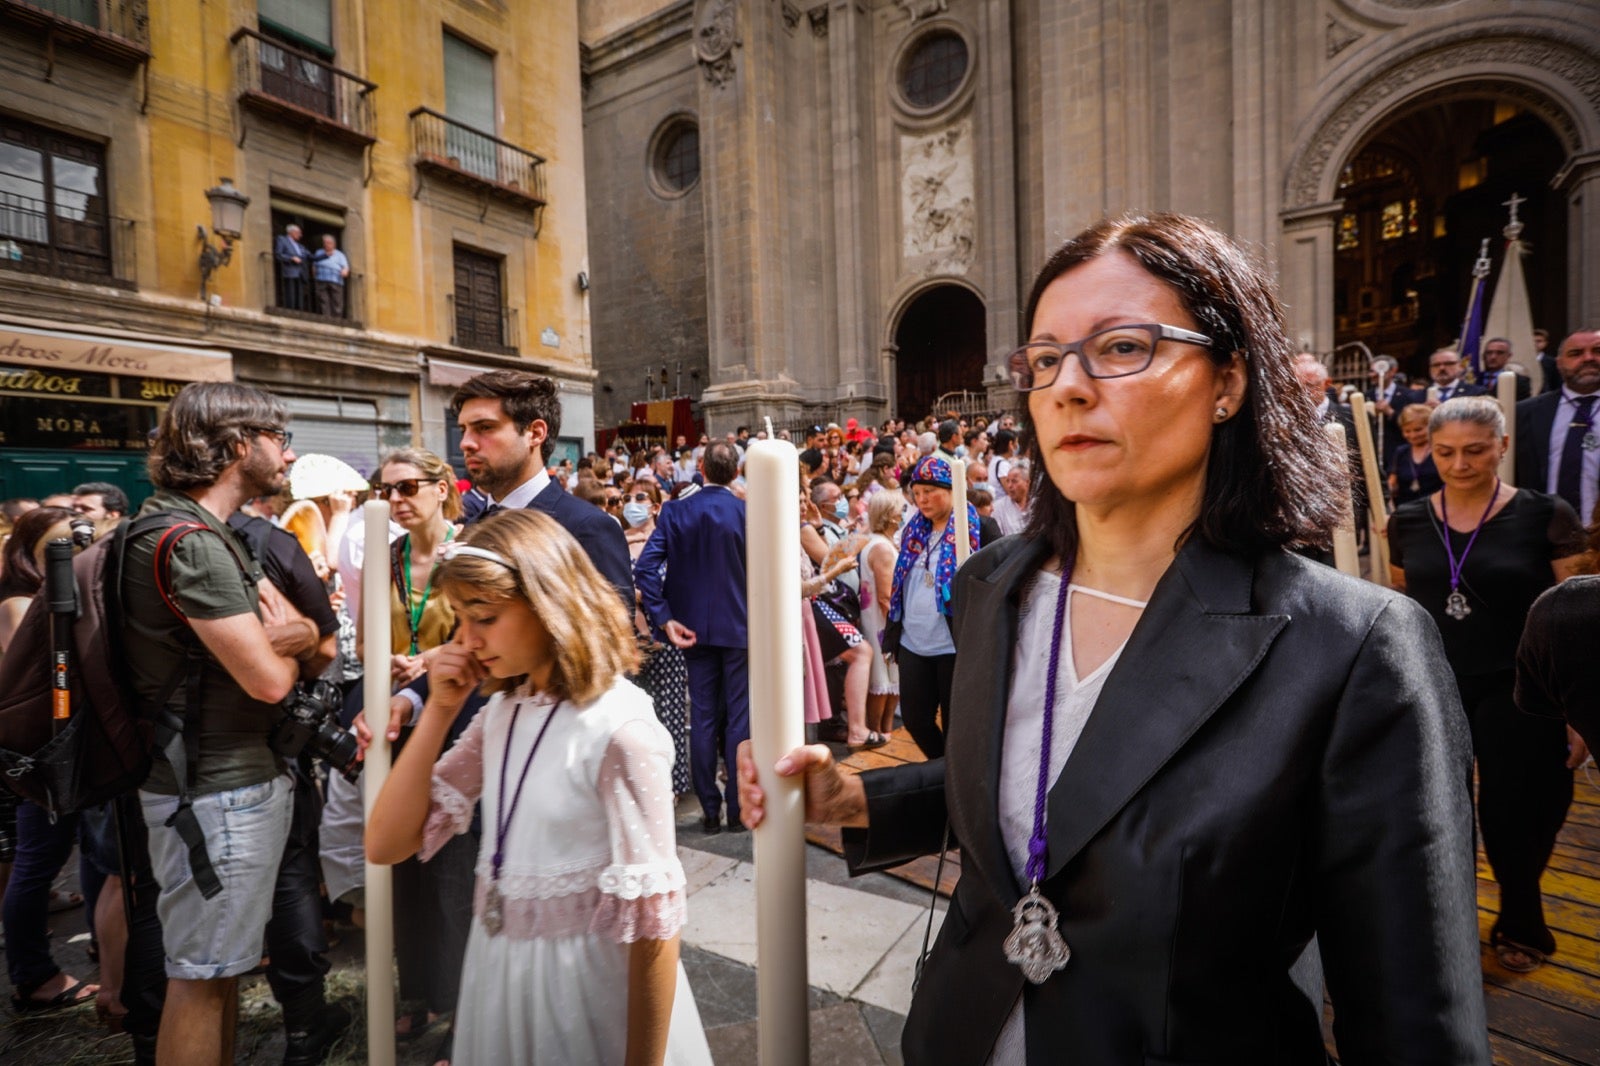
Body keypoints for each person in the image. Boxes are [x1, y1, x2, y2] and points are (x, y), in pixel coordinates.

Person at [738, 213, 1487, 1064]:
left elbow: (1413, 1019)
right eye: (1046, 358)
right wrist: (856, 800)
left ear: (1229, 380)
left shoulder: (1352, 648)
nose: (1068, 387)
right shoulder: (994, 586)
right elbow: (1041, 783)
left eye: (1123, 347)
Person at [364, 511, 712, 1066]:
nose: (468, 640)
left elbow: (654, 929)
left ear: (551, 605)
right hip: (499, 973)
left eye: (485, 617)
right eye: (459, 620)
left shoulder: (620, 728)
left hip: (585, 990)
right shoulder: (502, 713)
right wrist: (439, 710)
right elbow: (385, 844)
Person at [123, 382, 325, 1066]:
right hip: (215, 796)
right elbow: (268, 677)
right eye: (279, 439)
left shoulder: (185, 526)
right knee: (203, 979)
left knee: (218, 970)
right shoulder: (193, 542)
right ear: (240, 446)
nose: (289, 454)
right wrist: (294, 640)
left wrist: (288, 637)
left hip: (212, 787)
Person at [1389, 396, 1587, 975]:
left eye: (1475, 450)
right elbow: (1404, 603)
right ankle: (1439, 917)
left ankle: (1522, 912)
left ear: (1502, 446)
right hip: (1434, 682)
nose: (1459, 464)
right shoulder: (1405, 519)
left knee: (1519, 807)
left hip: (1523, 685)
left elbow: (1572, 618)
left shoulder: (1546, 514)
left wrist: (1581, 705)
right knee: (1432, 808)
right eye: (1446, 452)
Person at [0, 506, 106, 1014]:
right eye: (63, 546)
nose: (75, 555)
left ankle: (106, 945)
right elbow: (39, 679)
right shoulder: (20, 603)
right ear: (30, 550)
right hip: (43, 752)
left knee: (93, 849)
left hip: (77, 744)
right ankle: (33, 976)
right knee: (37, 860)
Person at [635, 442, 749, 833]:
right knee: (738, 719)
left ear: (701, 467)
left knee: (702, 717)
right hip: (739, 627)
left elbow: (646, 570)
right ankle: (736, 810)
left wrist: (664, 617)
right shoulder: (747, 511)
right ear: (736, 471)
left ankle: (711, 811)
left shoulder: (676, 511)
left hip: (692, 628)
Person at [451, 370, 633, 607]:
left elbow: (612, 633)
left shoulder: (586, 527)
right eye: (464, 429)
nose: (466, 443)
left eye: (484, 427)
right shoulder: (472, 527)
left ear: (535, 433)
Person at [884, 454, 979, 759]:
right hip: (914, 642)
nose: (921, 500)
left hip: (954, 645)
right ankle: (942, 770)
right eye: (917, 493)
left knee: (957, 727)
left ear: (952, 489)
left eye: (930, 491)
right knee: (915, 719)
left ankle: (951, 784)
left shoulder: (978, 527)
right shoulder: (914, 530)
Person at [623, 480, 691, 796]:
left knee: (671, 711)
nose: (632, 502)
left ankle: (672, 786)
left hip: (665, 633)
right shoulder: (617, 541)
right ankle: (641, 785)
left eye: (640, 497)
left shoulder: (667, 541)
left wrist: (647, 597)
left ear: (654, 506)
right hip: (629, 638)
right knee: (635, 718)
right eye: (627, 497)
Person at [1515, 329, 1600, 528]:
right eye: (1575, 353)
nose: (1588, 358)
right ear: (1559, 363)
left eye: (1597, 350)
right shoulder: (1526, 413)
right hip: (1542, 536)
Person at [857, 490, 903, 738]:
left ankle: (886, 729)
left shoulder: (878, 543)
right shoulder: (882, 548)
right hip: (881, 621)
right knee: (882, 681)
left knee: (890, 679)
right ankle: (878, 730)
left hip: (879, 618)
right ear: (891, 516)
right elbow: (886, 595)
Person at [1387, 403, 1441, 507]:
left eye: (1418, 430)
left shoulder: (1440, 450)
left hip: (1436, 509)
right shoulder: (1401, 452)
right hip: (1406, 511)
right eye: (1407, 431)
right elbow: (1392, 483)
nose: (1413, 435)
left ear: (1431, 426)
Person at [311, 233, 350, 318]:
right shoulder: (319, 252)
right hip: (321, 278)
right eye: (325, 242)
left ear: (333, 244)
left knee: (337, 300)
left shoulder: (340, 255)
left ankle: (337, 318)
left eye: (328, 243)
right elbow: (314, 264)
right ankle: (326, 317)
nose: (326, 244)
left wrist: (344, 272)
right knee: (323, 299)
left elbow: (345, 267)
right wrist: (314, 274)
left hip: (335, 279)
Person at [275, 224, 311, 311]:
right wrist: (291, 258)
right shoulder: (282, 240)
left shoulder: (300, 246)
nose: (300, 235)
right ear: (291, 232)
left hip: (301, 273)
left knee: (300, 294)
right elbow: (278, 255)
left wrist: (326, 254)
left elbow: (311, 256)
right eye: (299, 233)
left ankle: (299, 310)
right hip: (289, 271)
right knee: (290, 293)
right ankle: (290, 310)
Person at [992, 457, 1031, 536]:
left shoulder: (1038, 505)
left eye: (1014, 481)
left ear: (1027, 483)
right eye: (1007, 481)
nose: (1009, 486)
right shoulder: (998, 507)